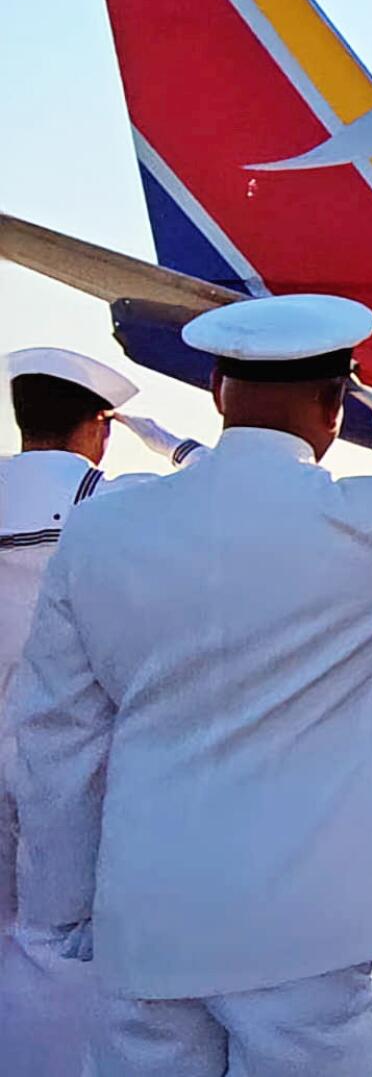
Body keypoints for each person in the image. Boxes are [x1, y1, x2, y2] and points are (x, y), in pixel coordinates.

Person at [8, 295, 372, 1074]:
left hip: (148, 919)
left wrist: (64, 907)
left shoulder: (105, 529)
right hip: (313, 933)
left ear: (216, 392)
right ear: (334, 406)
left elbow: (56, 740)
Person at [0, 348, 204, 1074]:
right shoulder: (119, 500)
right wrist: (172, 441)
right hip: (74, 766)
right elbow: (229, 488)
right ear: (100, 427)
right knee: (62, 951)